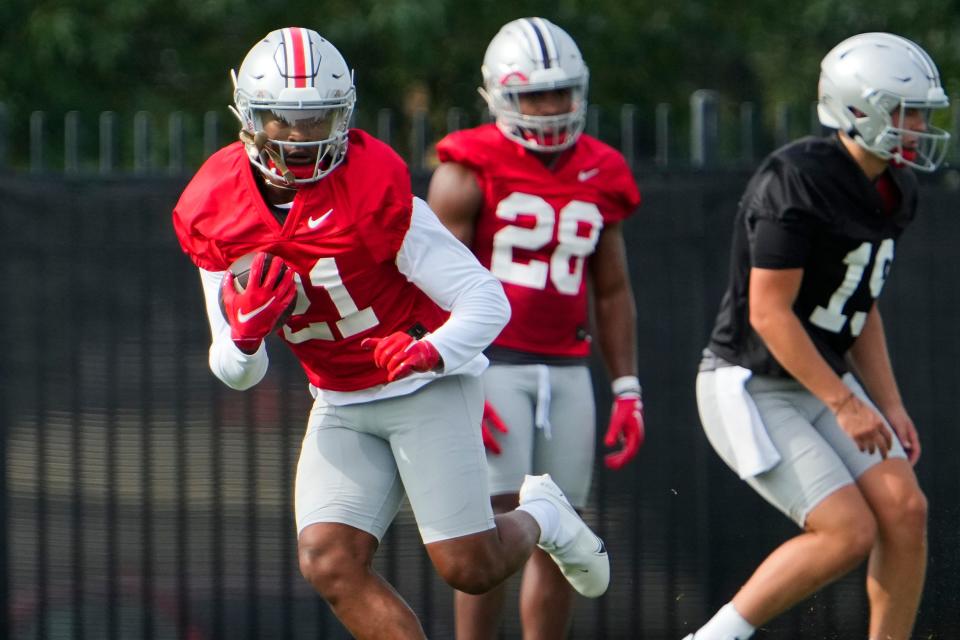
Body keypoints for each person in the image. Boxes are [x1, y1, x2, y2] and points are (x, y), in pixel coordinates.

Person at [171, 27, 610, 640]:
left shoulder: (372, 188)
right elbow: (238, 373)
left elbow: (486, 300)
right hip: (340, 398)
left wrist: (429, 352)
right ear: (250, 117)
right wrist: (244, 338)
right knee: (328, 558)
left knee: (469, 568)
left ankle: (544, 514)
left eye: (319, 117)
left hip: (421, 386)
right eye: (285, 120)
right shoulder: (213, 208)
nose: (303, 137)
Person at [689, 32, 950, 640]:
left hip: (821, 381)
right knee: (847, 531)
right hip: (751, 384)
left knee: (906, 513)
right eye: (907, 110)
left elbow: (859, 307)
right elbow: (769, 313)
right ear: (859, 109)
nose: (918, 125)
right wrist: (846, 401)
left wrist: (888, 403)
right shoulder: (796, 177)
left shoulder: (895, 186)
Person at [427, 17, 644, 639]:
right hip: (491, 365)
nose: (550, 109)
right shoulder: (466, 166)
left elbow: (611, 288)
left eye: (561, 92)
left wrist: (627, 386)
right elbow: (427, 284)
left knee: (565, 527)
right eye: (533, 95)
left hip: (569, 369)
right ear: (498, 95)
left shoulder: (602, 168)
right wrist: (453, 381)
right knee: (490, 526)